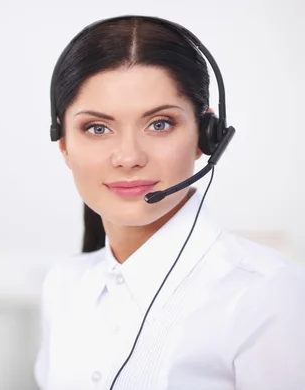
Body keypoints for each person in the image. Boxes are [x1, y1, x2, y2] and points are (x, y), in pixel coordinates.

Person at [34, 15, 305, 390]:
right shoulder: (64, 284)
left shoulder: (267, 295)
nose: (128, 157)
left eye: (159, 124)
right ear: (64, 144)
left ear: (208, 137)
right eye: (97, 128)